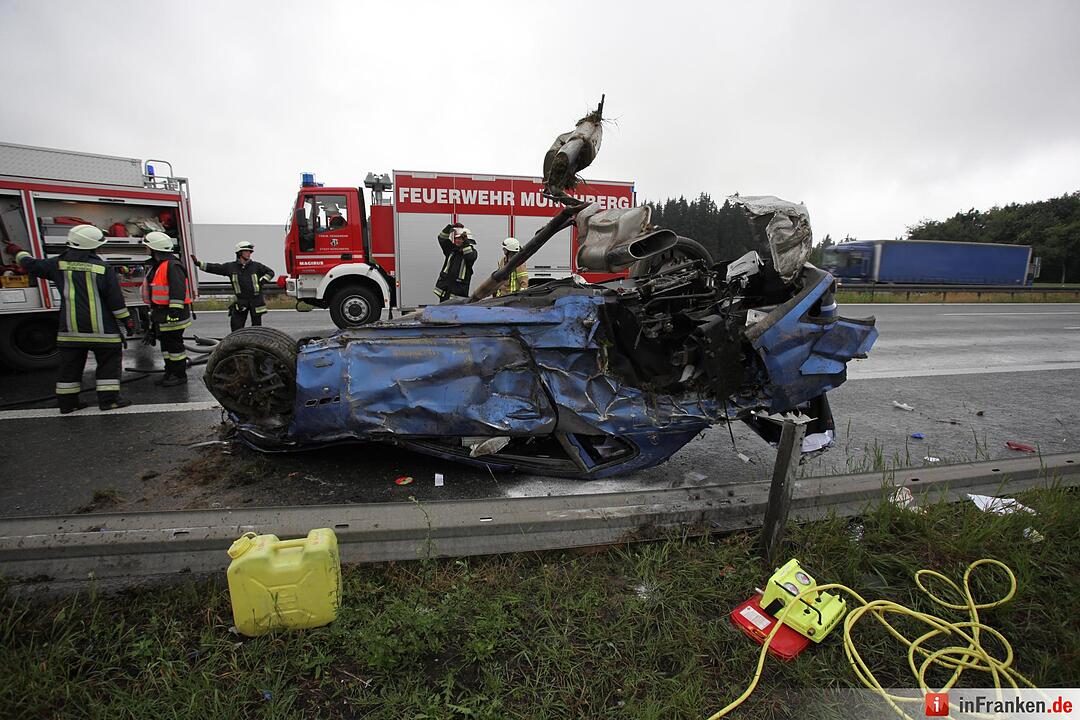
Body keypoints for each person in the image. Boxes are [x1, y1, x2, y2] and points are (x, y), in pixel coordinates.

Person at [8, 225, 135, 413]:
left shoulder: (57, 264)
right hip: (103, 332)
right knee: (108, 366)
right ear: (93, 246)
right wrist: (127, 321)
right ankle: (109, 401)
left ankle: (68, 404)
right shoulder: (102, 268)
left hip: (70, 332)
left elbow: (30, 264)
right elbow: (115, 300)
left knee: (70, 369)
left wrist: (18, 252)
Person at [143, 231, 193, 386]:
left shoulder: (172, 265)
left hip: (172, 315)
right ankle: (170, 373)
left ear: (154, 248)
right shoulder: (158, 265)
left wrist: (174, 312)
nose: (146, 249)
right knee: (166, 347)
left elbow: (177, 290)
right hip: (161, 313)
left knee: (175, 347)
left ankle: (179, 376)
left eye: (148, 247)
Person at [193, 241, 275, 331]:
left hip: (256, 301)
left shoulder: (256, 266)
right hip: (241, 301)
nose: (249, 253)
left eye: (250, 252)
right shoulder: (231, 267)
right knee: (236, 327)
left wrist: (262, 281)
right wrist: (199, 264)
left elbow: (270, 272)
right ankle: (238, 343)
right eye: (246, 251)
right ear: (239, 253)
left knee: (256, 329)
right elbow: (216, 268)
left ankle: (255, 344)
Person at [433, 223, 477, 302]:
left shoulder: (472, 252)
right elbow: (442, 238)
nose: (456, 240)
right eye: (456, 238)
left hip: (457, 294)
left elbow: (470, 257)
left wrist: (465, 243)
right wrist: (450, 227)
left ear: (466, 240)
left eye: (460, 239)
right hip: (445, 291)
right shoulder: (452, 249)